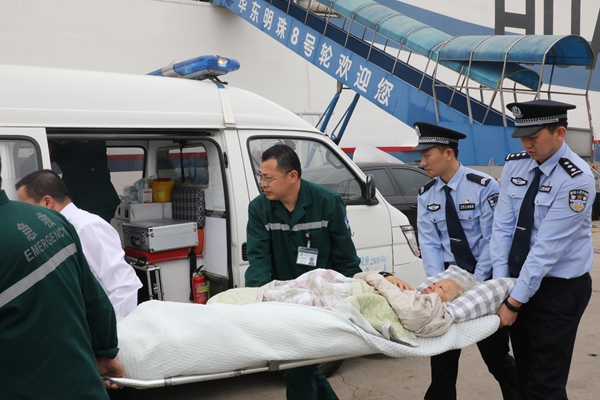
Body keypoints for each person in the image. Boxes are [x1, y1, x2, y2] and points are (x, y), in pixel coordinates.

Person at [491, 99, 595, 399]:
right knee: (525, 377)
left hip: (558, 291)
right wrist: (502, 285)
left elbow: (546, 249)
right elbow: (503, 228)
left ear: (559, 133)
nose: (526, 145)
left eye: (534, 137)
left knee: (545, 384)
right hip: (518, 283)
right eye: (522, 137)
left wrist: (513, 303)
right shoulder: (516, 164)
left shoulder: (577, 179)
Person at [0, 157, 126, 399]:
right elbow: (95, 300)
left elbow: (119, 284)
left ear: (48, 200)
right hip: (85, 386)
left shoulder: (85, 224)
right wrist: (106, 352)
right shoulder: (52, 220)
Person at [245, 144, 362, 400]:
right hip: (283, 300)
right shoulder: (259, 209)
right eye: (260, 177)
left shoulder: (327, 202)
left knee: (298, 364)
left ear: (293, 176)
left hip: (321, 299)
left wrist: (354, 299)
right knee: (298, 364)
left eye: (268, 178)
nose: (262, 184)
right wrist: (256, 301)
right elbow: (258, 261)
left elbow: (346, 258)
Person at [415, 122, 520, 400]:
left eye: (427, 155)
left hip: (482, 281)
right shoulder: (426, 194)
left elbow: (493, 239)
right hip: (446, 285)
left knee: (496, 357)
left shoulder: (483, 187)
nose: (422, 162)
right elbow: (430, 244)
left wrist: (475, 281)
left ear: (448, 153)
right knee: (441, 359)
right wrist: (438, 284)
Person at [16, 169, 142, 318]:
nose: (24, 215)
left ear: (47, 202)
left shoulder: (87, 226)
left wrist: (112, 327)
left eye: (27, 207)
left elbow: (122, 285)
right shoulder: (60, 229)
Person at [49, 139, 120, 223]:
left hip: (95, 201)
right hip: (86, 199)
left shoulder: (84, 137)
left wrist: (52, 148)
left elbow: (70, 160)